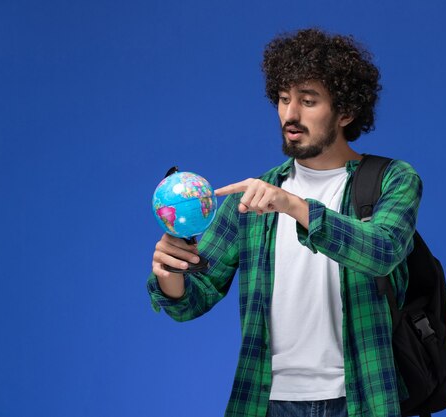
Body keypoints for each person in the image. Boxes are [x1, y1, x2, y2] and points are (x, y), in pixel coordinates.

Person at [148, 28, 423, 417]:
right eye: (283, 99)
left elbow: (382, 250)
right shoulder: (253, 199)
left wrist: (295, 206)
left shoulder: (392, 179)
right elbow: (193, 298)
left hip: (362, 398)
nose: (290, 115)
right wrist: (170, 271)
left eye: (308, 101)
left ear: (345, 112)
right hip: (266, 402)